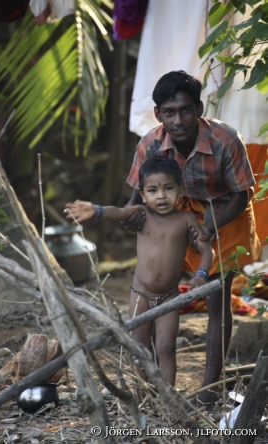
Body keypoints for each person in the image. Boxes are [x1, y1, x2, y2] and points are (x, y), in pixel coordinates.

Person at [126, 70, 261, 409]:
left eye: (186, 110)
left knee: (216, 297)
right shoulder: (150, 144)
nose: (179, 120)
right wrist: (129, 219)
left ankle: (211, 387)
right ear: (158, 114)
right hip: (175, 218)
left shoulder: (225, 139)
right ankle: (153, 389)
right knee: (160, 290)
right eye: (169, 112)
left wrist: (209, 228)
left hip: (225, 214)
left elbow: (241, 196)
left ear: (199, 108)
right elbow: (134, 199)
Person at [65, 156, 214, 392]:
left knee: (165, 347)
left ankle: (167, 399)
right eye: (153, 190)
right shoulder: (142, 215)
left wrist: (201, 274)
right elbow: (119, 212)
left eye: (168, 188)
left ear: (180, 190)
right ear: (143, 195)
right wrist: (95, 210)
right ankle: (143, 395)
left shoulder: (186, 219)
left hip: (169, 297)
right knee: (140, 347)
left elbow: (207, 250)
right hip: (140, 296)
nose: (161, 196)